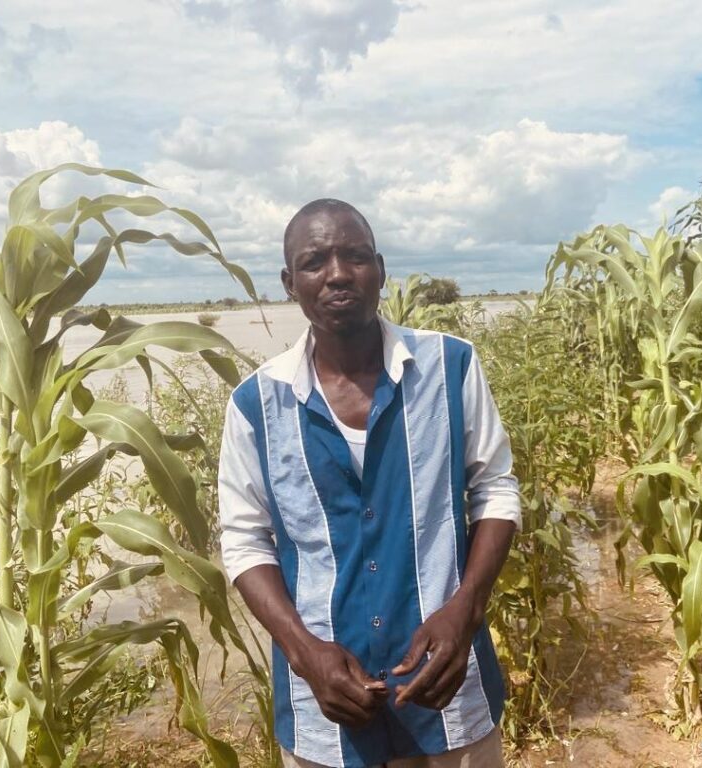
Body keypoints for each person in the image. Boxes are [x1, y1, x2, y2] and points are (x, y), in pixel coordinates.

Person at [217, 199, 521, 768]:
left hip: (448, 693)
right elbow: (243, 539)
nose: (337, 273)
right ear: (290, 282)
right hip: (325, 707)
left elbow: (495, 490)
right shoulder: (256, 404)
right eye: (314, 262)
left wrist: (465, 610)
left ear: (379, 270)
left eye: (355, 256)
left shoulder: (450, 367)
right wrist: (305, 653)